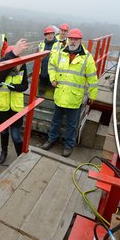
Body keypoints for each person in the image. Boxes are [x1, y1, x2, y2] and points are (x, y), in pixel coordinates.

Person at [42, 28, 98, 157]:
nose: (72, 41)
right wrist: (53, 78)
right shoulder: (60, 53)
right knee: (55, 120)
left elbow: (92, 78)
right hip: (60, 94)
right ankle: (52, 139)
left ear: (80, 40)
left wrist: (93, 94)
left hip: (74, 97)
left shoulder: (87, 58)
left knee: (72, 125)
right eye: (71, 39)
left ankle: (68, 145)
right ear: (68, 39)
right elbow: (51, 65)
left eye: (75, 39)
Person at [0, 45, 29, 164]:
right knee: (3, 132)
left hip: (15, 107)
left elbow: (25, 86)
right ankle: (4, 152)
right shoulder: (2, 69)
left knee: (16, 135)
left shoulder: (22, 67)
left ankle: (20, 156)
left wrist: (15, 87)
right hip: (2, 106)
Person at [37, 26, 61, 98]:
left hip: (52, 75)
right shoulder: (41, 45)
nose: (50, 36)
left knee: (49, 94)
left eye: (51, 34)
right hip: (42, 73)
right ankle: (40, 106)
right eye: (48, 34)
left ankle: (48, 104)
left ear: (54, 34)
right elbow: (37, 59)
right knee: (40, 92)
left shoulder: (59, 45)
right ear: (45, 35)